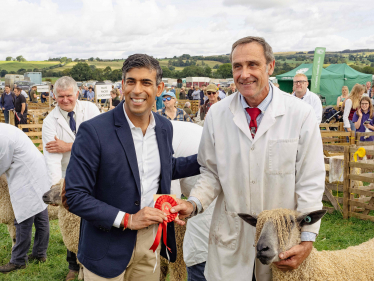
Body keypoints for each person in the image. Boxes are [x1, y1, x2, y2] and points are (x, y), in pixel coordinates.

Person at [171, 36, 325, 281]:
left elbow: (311, 180)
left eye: (253, 64)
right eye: (237, 66)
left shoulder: (300, 115)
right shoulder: (218, 115)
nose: (244, 74)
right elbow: (211, 173)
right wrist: (194, 203)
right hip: (231, 241)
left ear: (270, 66)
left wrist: (307, 239)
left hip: (281, 245)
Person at [63, 54, 200, 281]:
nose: (137, 90)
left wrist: (207, 158)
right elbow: (75, 195)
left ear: (159, 88)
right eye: (131, 81)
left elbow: (163, 168)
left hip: (150, 243)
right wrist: (127, 219)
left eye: (146, 82)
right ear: (122, 85)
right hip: (105, 246)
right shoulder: (93, 131)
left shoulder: (164, 127)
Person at [42, 76, 100, 281]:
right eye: (60, 96)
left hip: (95, 173)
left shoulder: (91, 110)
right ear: (54, 96)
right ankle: (73, 266)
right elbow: (51, 156)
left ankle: (93, 261)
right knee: (70, 221)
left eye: (69, 95)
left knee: (92, 217)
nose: (65, 100)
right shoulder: (50, 121)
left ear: (77, 93)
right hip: (69, 176)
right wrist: (59, 187)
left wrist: (68, 146)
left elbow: (99, 142)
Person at [0, 124, 50, 273]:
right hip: (36, 170)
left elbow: (2, 162)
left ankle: (18, 260)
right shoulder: (3, 129)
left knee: (23, 218)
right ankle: (40, 253)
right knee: (41, 215)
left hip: (27, 176)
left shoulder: (3, 137)